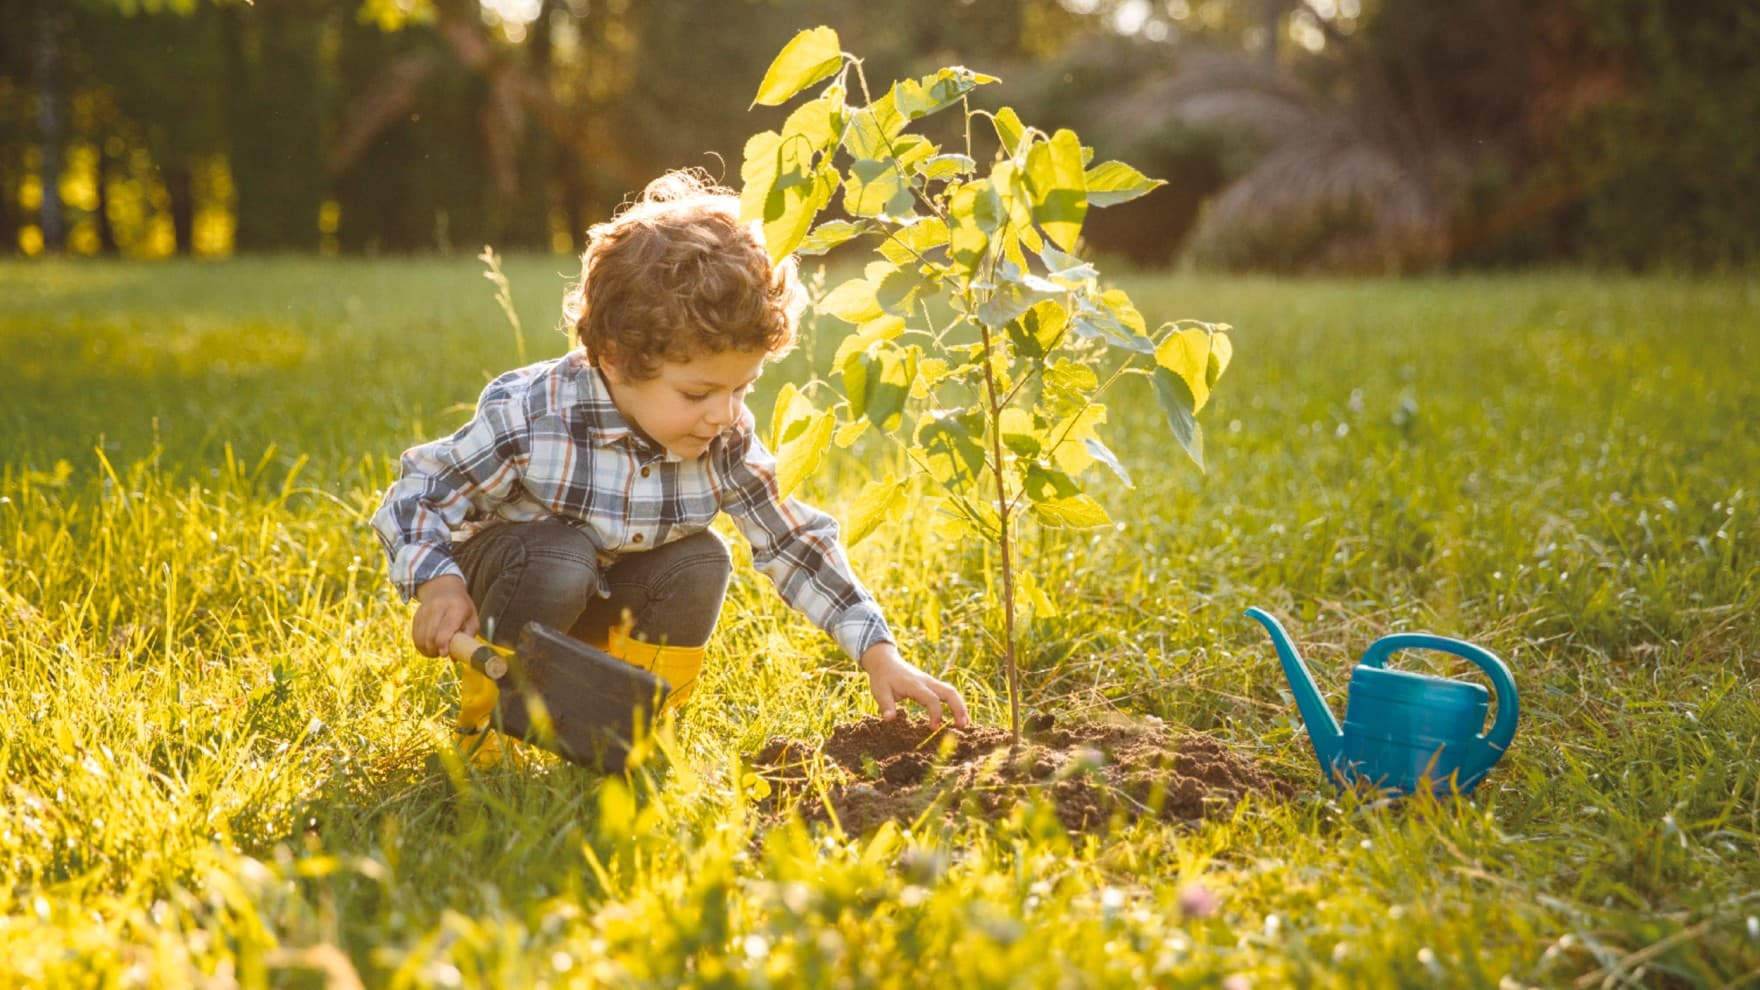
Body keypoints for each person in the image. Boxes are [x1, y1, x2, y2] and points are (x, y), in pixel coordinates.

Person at [371, 170, 969, 759]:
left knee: (700, 559)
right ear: (614, 358)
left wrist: (879, 653)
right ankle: (492, 732)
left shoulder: (724, 438)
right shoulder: (535, 417)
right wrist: (439, 584)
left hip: (607, 599)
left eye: (742, 389)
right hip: (520, 584)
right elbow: (420, 492)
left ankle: (628, 729)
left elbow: (794, 541)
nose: (724, 414)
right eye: (698, 393)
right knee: (561, 557)